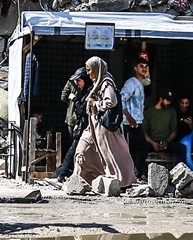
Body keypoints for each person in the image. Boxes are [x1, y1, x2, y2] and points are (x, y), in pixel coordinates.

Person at [72, 56, 135, 189]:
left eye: (90, 70)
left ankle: (121, 182)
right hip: (93, 127)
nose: (88, 73)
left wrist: (95, 103)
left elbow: (111, 102)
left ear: (97, 69)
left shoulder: (106, 83)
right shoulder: (97, 83)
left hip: (104, 127)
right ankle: (78, 182)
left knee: (112, 155)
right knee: (81, 151)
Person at [56, 66, 90, 181]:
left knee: (75, 148)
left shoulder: (88, 89)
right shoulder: (87, 89)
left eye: (78, 80)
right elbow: (81, 109)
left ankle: (64, 172)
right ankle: (64, 172)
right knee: (75, 148)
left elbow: (64, 97)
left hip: (76, 121)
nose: (77, 83)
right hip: (80, 124)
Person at [138, 91, 182, 178]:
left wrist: (167, 141)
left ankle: (178, 175)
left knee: (182, 148)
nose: (169, 103)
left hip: (166, 141)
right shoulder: (148, 113)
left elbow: (174, 131)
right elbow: (144, 133)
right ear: (161, 99)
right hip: (152, 142)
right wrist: (153, 143)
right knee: (141, 148)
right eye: (167, 100)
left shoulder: (171, 112)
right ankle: (142, 174)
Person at [120, 54, 150, 169]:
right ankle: (137, 173)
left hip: (136, 120)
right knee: (143, 147)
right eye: (141, 66)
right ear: (135, 68)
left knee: (134, 148)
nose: (144, 68)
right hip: (131, 122)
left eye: (146, 66)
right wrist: (129, 118)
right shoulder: (131, 83)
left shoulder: (140, 84)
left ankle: (132, 173)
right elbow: (121, 99)